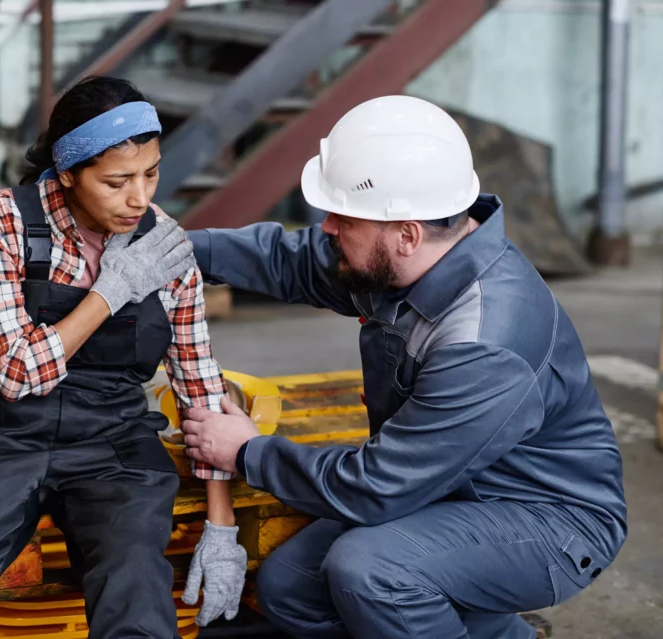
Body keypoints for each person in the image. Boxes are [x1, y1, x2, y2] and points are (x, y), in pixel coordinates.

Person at [179, 95, 627, 639]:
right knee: (291, 588)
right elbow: (288, 260)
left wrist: (246, 451)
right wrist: (180, 250)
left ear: (407, 234)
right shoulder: (403, 260)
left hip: (548, 519)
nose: (326, 227)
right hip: (450, 486)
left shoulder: (484, 341)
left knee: (371, 571)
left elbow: (378, 487)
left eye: (342, 217)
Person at [0, 76, 248, 639]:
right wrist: (110, 292)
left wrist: (222, 527)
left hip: (109, 441)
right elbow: (15, 374)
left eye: (152, 173)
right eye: (117, 182)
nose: (140, 198)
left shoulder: (163, 245)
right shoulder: (1, 223)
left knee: (138, 606)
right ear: (68, 174)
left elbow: (199, 383)